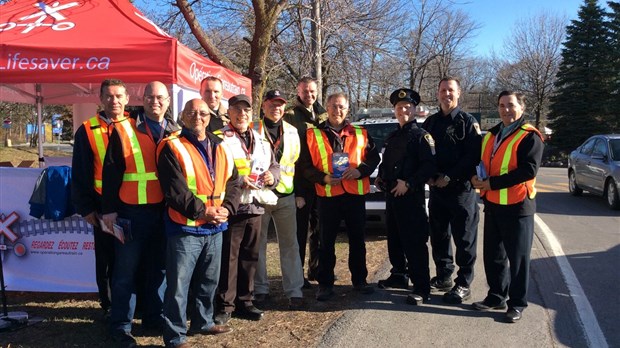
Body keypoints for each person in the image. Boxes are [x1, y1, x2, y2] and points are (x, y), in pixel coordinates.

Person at [157, 99, 242, 347]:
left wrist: (227, 209)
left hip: (215, 226)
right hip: (185, 227)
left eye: (203, 113)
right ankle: (175, 335)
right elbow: (175, 190)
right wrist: (204, 212)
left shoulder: (221, 145)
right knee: (178, 285)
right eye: (192, 112)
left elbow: (234, 181)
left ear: (210, 116)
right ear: (183, 116)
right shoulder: (171, 145)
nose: (198, 117)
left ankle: (203, 322)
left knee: (208, 281)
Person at [102, 81, 180, 346]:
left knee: (159, 269)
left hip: (164, 213)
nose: (155, 101)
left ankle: (153, 317)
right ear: (142, 99)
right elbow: (110, 173)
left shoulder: (176, 131)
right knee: (125, 271)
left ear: (168, 101)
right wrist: (109, 212)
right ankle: (121, 325)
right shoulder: (124, 128)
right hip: (129, 212)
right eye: (150, 97)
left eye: (160, 97)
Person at [470, 91, 544, 323]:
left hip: (518, 206)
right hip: (493, 204)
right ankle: (496, 296)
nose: (506, 110)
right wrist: (475, 178)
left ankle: (517, 304)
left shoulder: (530, 136)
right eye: (502, 105)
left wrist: (492, 183)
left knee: (518, 259)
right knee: (493, 256)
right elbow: (482, 163)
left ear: (522, 108)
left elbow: (528, 170)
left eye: (511, 105)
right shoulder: (491, 135)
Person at [299, 92, 381, 301]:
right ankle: (325, 284)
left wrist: (360, 171)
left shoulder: (361, 132)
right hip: (328, 196)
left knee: (357, 241)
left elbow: (373, 158)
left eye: (342, 107)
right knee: (326, 242)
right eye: (334, 106)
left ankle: (360, 281)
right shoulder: (312, 134)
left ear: (348, 109)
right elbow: (305, 167)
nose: (338, 110)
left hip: (354, 194)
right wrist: (323, 178)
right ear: (327, 108)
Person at [213, 94, 280, 325]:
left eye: (246, 111)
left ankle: (246, 301)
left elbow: (274, 165)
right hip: (233, 206)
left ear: (252, 114)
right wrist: (238, 179)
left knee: (251, 256)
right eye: (237, 110)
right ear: (229, 113)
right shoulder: (220, 138)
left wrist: (273, 177)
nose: (242, 114)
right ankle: (225, 305)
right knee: (228, 259)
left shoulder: (261, 139)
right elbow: (213, 170)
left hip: (256, 204)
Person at [71, 79, 129, 319]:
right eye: (109, 96)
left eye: (118, 96)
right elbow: (80, 173)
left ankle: (132, 303)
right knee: (106, 259)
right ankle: (108, 305)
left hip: (132, 204)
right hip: (101, 206)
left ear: (126, 99)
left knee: (131, 257)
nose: (114, 101)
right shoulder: (87, 130)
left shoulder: (136, 125)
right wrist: (86, 209)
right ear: (101, 99)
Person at [421, 76, 482, 304]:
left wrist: (449, 176)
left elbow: (472, 156)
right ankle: (444, 275)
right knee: (439, 236)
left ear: (459, 94)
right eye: (443, 90)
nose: (447, 94)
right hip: (437, 190)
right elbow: (424, 153)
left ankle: (463, 283)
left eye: (451, 91)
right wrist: (429, 176)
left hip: (460, 191)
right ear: (438, 94)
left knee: (464, 239)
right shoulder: (431, 123)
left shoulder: (467, 122)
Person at [375, 89, 437, 305]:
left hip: (410, 197)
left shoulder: (421, 136)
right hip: (392, 196)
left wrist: (409, 183)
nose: (403, 110)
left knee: (415, 243)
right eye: (399, 107)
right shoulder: (393, 136)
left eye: (407, 107)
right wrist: (381, 177)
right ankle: (399, 275)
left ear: (414, 110)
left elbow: (429, 166)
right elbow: (387, 162)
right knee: (395, 239)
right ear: (394, 110)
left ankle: (422, 287)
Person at [253, 90, 305, 309]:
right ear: (263, 106)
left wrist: (300, 193)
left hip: (286, 195)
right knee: (258, 245)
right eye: (272, 104)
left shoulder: (292, 131)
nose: (276, 108)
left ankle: (294, 291)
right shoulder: (252, 128)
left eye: (280, 104)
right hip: (259, 195)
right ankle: (260, 289)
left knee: (290, 245)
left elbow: (297, 165)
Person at [284, 77, 328, 288]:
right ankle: (297, 276)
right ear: (298, 92)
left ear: (317, 92)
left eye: (312, 91)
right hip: (301, 182)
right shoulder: (290, 116)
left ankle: (316, 270)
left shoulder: (324, 114)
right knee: (300, 232)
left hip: (321, 181)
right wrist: (296, 190)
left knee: (319, 230)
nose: (309, 95)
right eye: (305, 92)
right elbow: (288, 153)